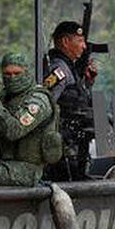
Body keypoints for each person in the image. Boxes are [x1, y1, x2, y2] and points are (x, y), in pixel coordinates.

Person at [0, 53, 60, 187]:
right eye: (7, 74)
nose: (12, 78)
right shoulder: (5, 96)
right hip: (1, 162)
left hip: (28, 169)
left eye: (17, 73)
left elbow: (14, 131)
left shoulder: (38, 100)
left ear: (27, 72)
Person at [43, 21, 96, 181]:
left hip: (76, 146)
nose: (84, 46)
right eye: (80, 41)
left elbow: (76, 99)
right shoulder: (59, 71)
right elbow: (46, 103)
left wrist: (87, 82)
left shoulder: (70, 68)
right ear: (66, 42)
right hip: (64, 149)